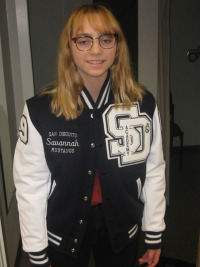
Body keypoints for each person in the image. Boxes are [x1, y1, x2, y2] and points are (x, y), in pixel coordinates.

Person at [13, 4, 166, 267]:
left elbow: (153, 171)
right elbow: (30, 185)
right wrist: (36, 252)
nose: (96, 50)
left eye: (106, 39)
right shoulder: (41, 111)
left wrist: (153, 232)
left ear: (117, 46)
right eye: (84, 40)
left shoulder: (142, 105)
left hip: (122, 227)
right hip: (62, 231)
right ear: (69, 48)